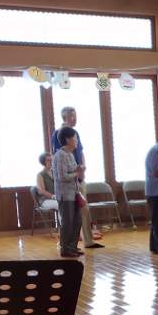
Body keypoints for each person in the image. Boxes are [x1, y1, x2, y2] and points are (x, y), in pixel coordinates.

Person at [51, 106, 103, 249]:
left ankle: (87, 241)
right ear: (65, 117)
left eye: (75, 115)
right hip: (67, 184)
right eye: (72, 116)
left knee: (83, 211)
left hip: (78, 178)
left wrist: (83, 167)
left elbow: (81, 152)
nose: (75, 118)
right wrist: (75, 172)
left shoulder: (76, 133)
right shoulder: (58, 134)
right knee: (68, 217)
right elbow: (59, 158)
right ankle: (66, 246)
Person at [54, 127, 84, 258]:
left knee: (77, 220)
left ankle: (73, 247)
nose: (77, 141)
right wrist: (76, 173)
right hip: (65, 194)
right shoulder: (60, 155)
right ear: (67, 139)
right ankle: (65, 249)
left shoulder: (71, 154)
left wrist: (79, 170)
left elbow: (73, 172)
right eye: (75, 138)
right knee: (68, 222)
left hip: (74, 193)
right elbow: (62, 177)